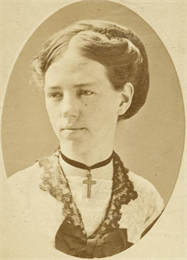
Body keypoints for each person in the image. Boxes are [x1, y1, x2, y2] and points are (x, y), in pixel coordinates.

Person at [8, 20, 164, 258]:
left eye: (85, 92)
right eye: (55, 94)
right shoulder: (16, 194)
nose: (68, 110)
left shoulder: (146, 199)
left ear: (122, 99)